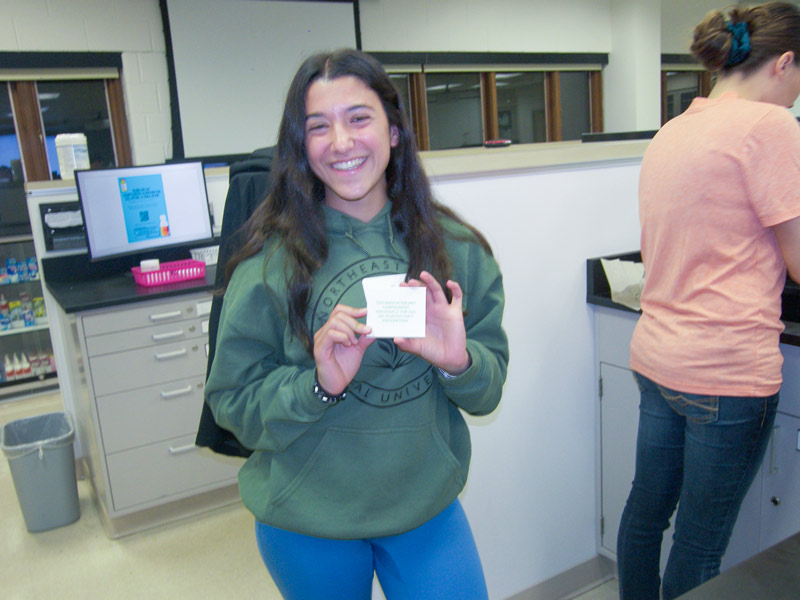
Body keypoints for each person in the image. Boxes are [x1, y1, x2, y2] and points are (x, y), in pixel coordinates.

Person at [204, 48, 509, 600]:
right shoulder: (266, 265)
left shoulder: (457, 250)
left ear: (394, 130)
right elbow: (233, 403)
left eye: (359, 118)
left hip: (425, 512)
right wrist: (317, 386)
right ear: (301, 146)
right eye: (318, 127)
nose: (341, 142)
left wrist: (458, 364)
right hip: (307, 519)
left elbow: (487, 394)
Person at [617, 3, 800, 599]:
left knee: (645, 514)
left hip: (658, 358)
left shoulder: (673, 129)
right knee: (700, 542)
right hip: (726, 371)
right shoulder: (772, 126)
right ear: (785, 63)